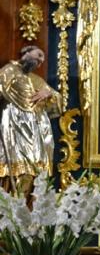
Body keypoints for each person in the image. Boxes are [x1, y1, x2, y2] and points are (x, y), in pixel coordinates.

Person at [0, 46, 63, 193]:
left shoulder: (36, 79)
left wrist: (48, 93)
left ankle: (27, 202)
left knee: (33, 170)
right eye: (39, 55)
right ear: (26, 52)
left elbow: (57, 99)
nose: (40, 60)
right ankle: (13, 202)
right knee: (15, 168)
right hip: (14, 128)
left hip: (36, 132)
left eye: (42, 60)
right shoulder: (9, 71)